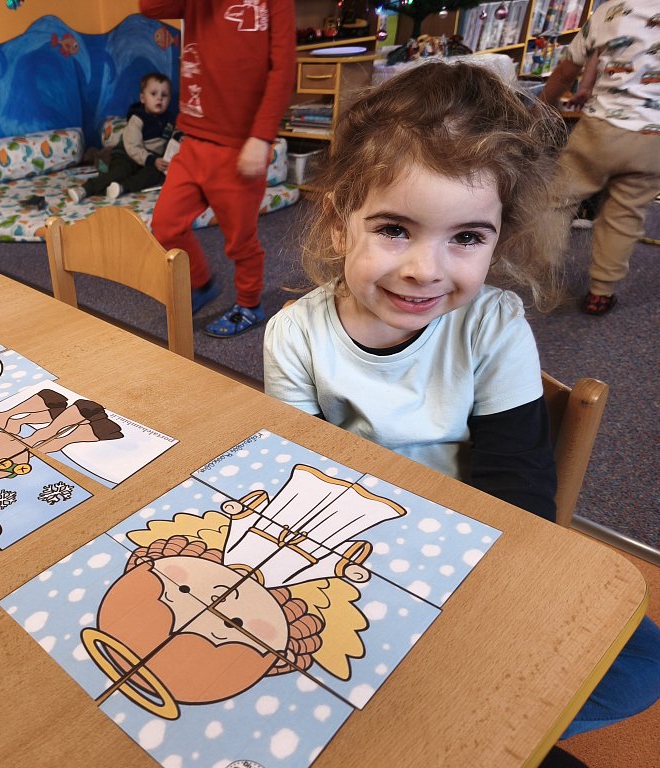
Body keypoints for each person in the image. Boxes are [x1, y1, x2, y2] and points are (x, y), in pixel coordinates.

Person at [264, 60, 660, 742]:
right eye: (394, 229)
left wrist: (472, 592)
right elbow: (298, 473)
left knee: (641, 664)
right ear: (337, 225)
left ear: (498, 238)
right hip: (346, 551)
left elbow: (520, 486)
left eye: (467, 238)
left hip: (472, 546)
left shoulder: (493, 326)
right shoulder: (295, 334)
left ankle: (445, 729)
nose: (425, 270)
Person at [139, 0, 297, 338]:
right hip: (193, 141)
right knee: (165, 225)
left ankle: (250, 303)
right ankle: (201, 283)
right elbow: (150, 7)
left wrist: (261, 136)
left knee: (240, 239)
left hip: (239, 145)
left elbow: (284, 69)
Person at [540, 0, 660, 315]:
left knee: (557, 198)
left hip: (602, 131)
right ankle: (601, 293)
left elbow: (567, 70)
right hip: (653, 142)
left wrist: (543, 104)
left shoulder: (610, 11)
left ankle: (543, 270)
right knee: (625, 216)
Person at [68, 72, 175, 203]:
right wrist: (151, 160)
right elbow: (133, 147)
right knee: (120, 171)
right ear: (143, 98)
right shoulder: (137, 119)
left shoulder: (169, 119)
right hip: (128, 155)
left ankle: (122, 187)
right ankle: (86, 188)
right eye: (153, 94)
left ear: (170, 99)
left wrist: (178, 136)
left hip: (149, 160)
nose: (159, 99)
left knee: (156, 174)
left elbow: (174, 132)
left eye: (164, 95)